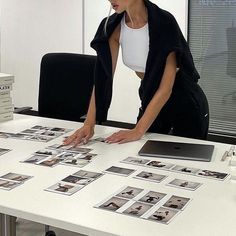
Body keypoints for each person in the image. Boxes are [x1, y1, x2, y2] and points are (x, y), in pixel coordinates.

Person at [64, 0, 209, 146]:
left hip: (184, 99)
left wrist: (138, 130)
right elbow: (102, 79)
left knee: (186, 161)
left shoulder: (163, 22)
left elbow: (166, 89)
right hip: (149, 95)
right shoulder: (113, 27)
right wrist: (89, 123)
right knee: (142, 153)